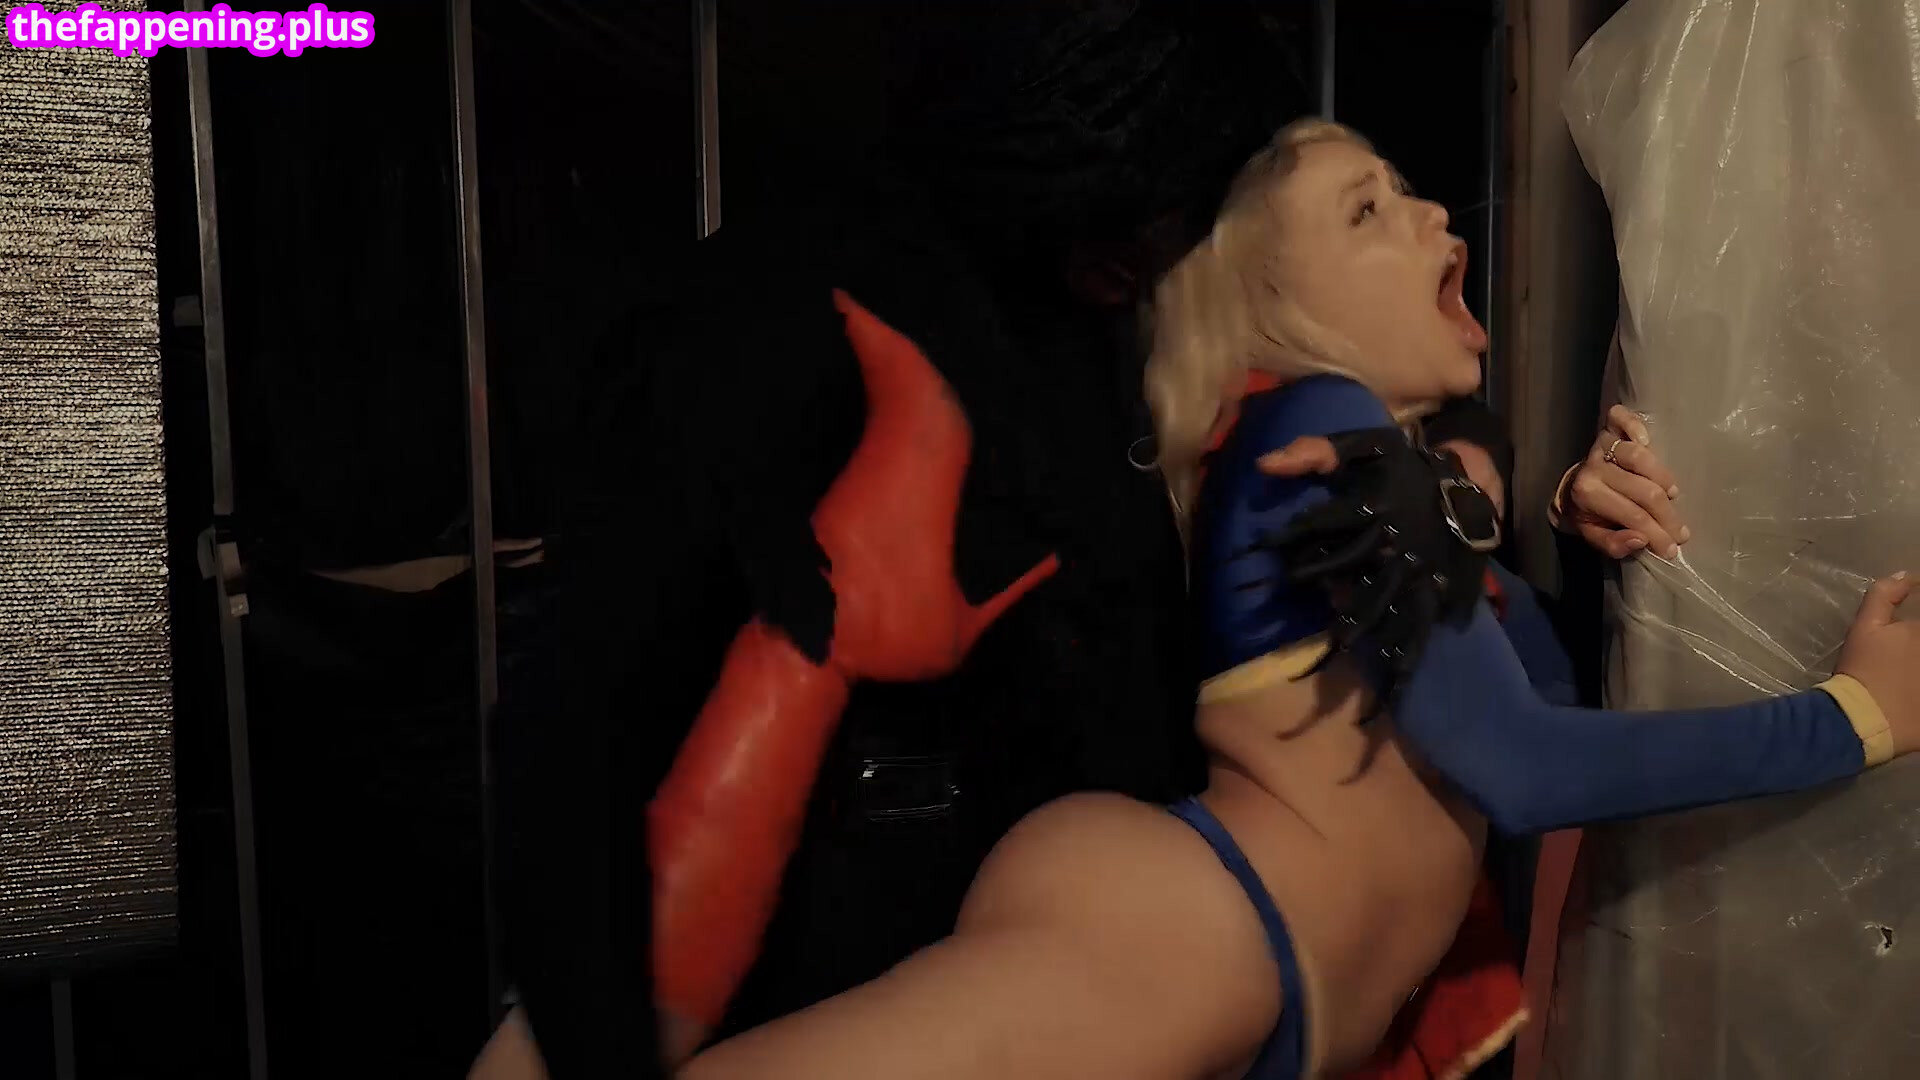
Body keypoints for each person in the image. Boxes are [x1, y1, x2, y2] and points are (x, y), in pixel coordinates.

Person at [676, 118, 1920, 1080]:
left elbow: (1529, 712)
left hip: (1263, 957)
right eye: (1366, 210)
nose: (1433, 214)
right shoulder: (1321, 428)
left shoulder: (1372, 478)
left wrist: (1588, 542)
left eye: (1406, 188)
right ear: (1274, 305)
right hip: (1206, 934)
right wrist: (1853, 715)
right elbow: (1528, 768)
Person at [472, 6, 1320, 1077]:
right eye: (1171, 187)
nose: (1181, 234)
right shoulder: (770, 310)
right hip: (814, 984)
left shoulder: (1080, 320)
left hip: (1052, 980)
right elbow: (578, 721)